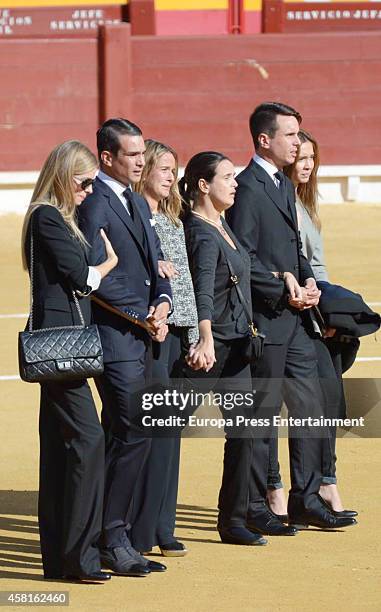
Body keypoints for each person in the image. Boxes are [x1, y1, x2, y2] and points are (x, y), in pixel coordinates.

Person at [226, 102, 357, 530]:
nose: (298, 142)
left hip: (297, 316)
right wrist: (281, 286)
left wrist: (308, 282)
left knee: (312, 403)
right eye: (291, 135)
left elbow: (293, 249)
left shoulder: (280, 185)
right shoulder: (246, 188)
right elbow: (241, 257)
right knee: (263, 415)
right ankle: (263, 503)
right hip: (266, 319)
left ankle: (307, 497)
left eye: (299, 135)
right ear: (265, 140)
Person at [77, 118, 172, 576]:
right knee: (133, 429)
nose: (141, 161)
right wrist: (143, 314)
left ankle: (108, 534)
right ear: (108, 158)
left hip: (142, 333)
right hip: (114, 338)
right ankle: (113, 537)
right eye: (133, 155)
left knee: (126, 432)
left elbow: (156, 263)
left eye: (142, 153)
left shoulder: (134, 200)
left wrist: (164, 303)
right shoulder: (94, 203)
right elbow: (98, 276)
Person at [21, 140, 118, 582]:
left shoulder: (55, 217)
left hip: (59, 345)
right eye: (83, 182)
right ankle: (79, 557)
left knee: (61, 450)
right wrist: (108, 263)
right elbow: (82, 278)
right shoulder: (47, 216)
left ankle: (61, 558)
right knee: (87, 441)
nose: (88, 190)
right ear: (63, 176)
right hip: (62, 348)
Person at [180, 151, 268, 547]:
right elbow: (202, 288)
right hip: (211, 351)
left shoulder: (222, 224)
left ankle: (233, 520)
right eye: (228, 177)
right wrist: (205, 336)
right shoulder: (200, 231)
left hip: (236, 350)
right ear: (203, 184)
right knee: (158, 428)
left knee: (245, 433)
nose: (235, 183)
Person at [130, 139, 198, 556]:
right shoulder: (136, 219)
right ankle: (141, 527)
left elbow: (187, 282)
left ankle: (162, 525)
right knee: (149, 428)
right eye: (165, 168)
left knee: (170, 431)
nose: (172, 176)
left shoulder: (173, 219)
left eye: (175, 170)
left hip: (176, 333)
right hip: (149, 331)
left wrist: (192, 333)